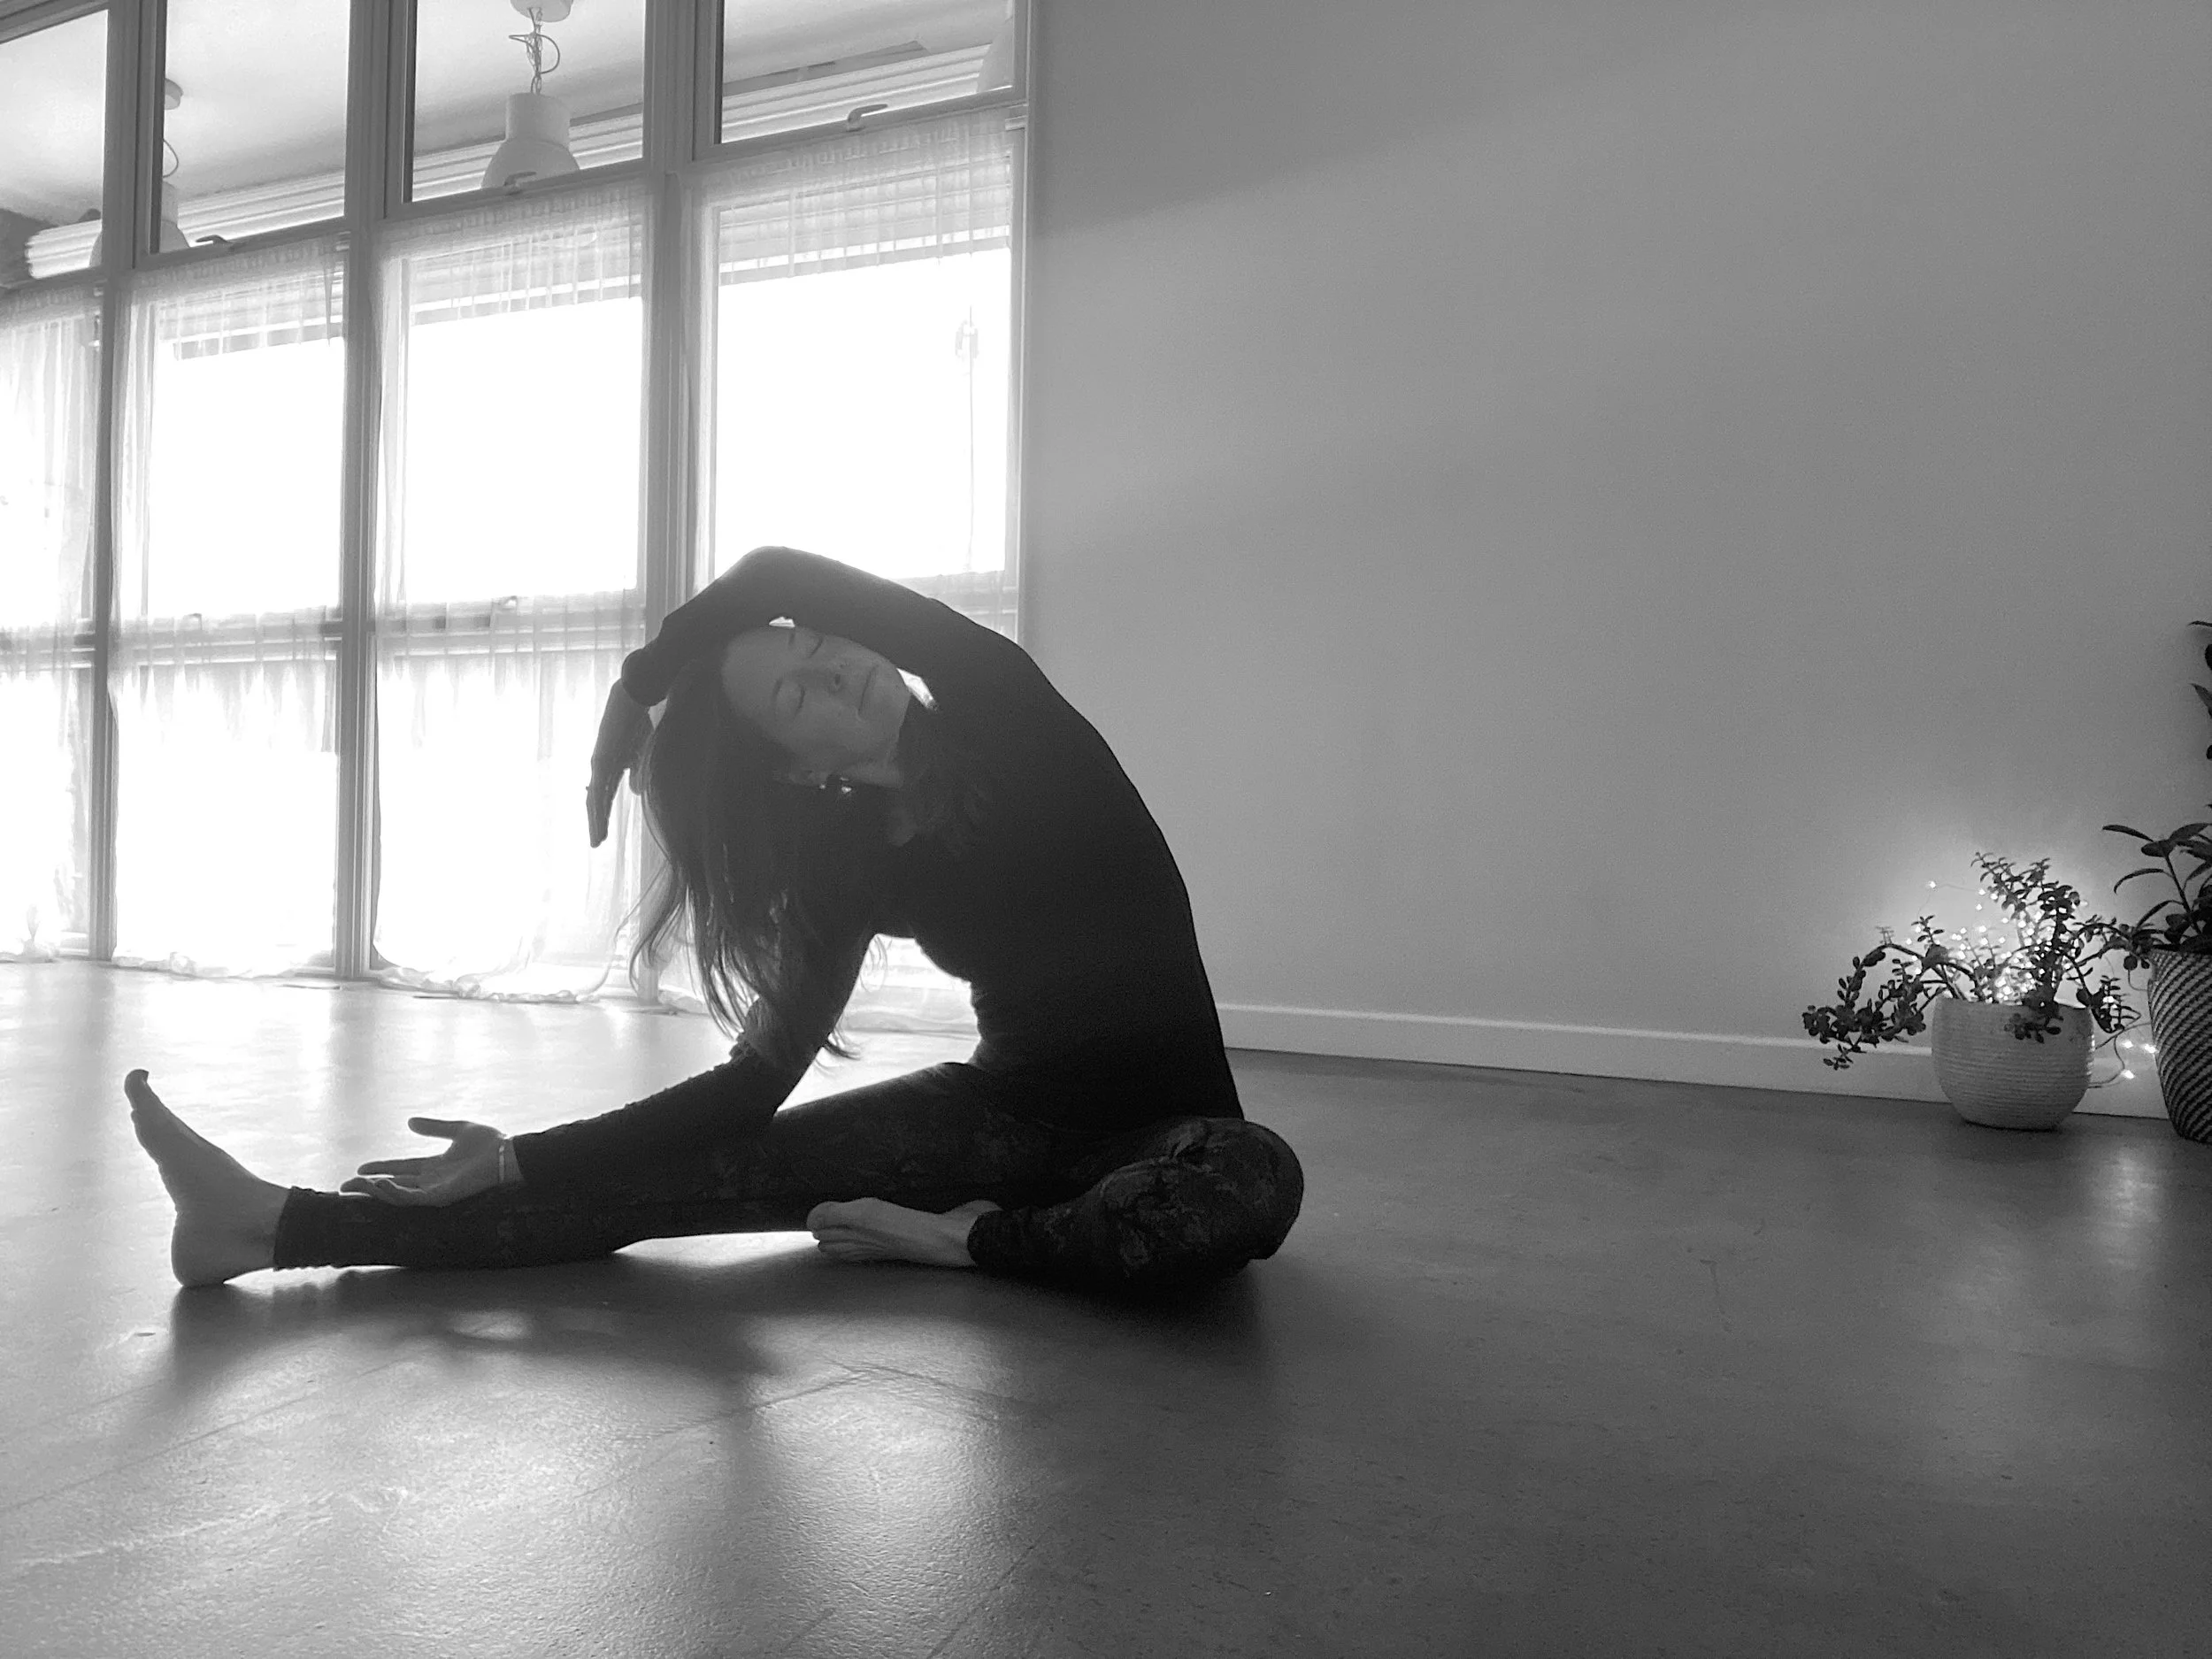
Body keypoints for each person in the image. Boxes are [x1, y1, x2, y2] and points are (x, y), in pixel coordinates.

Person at [127, 547, 1304, 1294]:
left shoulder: (1011, 714)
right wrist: (522, 1153)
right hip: (995, 1120)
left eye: (824, 647)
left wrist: (641, 681)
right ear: (794, 769)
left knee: (1248, 1186)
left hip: (1171, 1127)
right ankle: (272, 1226)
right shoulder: (849, 857)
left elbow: (780, 569)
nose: (836, 670)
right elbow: (751, 1088)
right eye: (796, 692)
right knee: (682, 1181)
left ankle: (965, 1242)